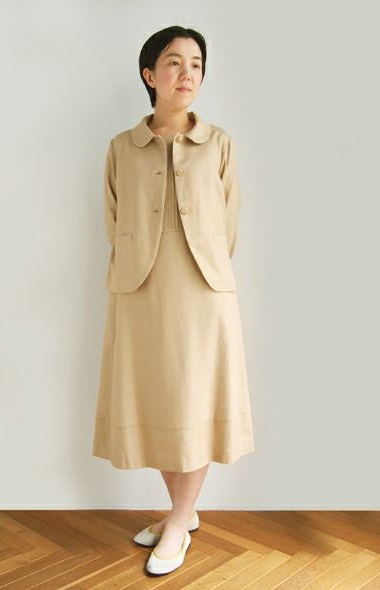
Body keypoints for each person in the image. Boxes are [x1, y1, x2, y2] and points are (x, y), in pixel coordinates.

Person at [92, 25, 256, 575]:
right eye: (174, 62)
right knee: (157, 402)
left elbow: (228, 224)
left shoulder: (220, 144)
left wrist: (201, 267)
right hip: (139, 290)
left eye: (196, 64)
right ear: (149, 74)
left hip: (203, 291)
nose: (187, 73)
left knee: (195, 401)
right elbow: (114, 221)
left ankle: (180, 520)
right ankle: (182, 513)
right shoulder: (121, 147)